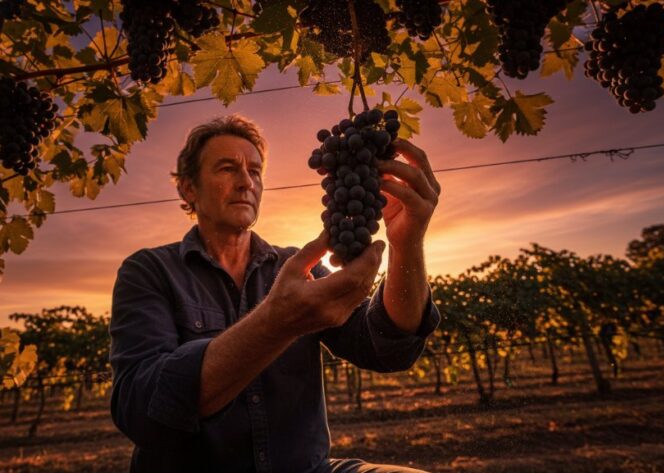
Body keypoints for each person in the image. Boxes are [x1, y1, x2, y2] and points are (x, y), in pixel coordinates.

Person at [109, 114, 442, 473]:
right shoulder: (149, 271)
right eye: (227, 169)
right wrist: (277, 323)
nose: (245, 182)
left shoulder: (297, 267)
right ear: (189, 188)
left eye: (255, 171)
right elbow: (143, 411)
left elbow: (384, 345)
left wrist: (406, 242)